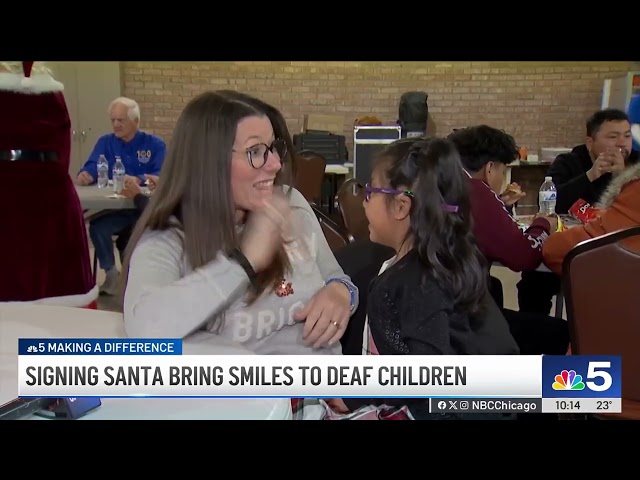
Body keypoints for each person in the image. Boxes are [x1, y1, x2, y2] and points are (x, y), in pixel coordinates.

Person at [121, 90, 358, 355]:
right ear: (209, 161)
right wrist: (242, 262)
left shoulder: (290, 201)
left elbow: (336, 277)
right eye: (255, 151)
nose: (276, 164)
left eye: (272, 148)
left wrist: (341, 293)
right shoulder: (168, 240)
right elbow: (144, 328)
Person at [325, 137, 519, 420]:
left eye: (370, 191)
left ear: (401, 206)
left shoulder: (413, 282)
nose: (365, 203)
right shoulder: (453, 260)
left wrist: (356, 395)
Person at [448, 125, 569, 357]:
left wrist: (500, 204)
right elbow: (523, 256)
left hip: (442, 306)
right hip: (462, 319)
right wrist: (543, 223)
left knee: (496, 288)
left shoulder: (448, 185)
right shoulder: (476, 191)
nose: (502, 179)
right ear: (490, 168)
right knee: (562, 333)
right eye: (503, 172)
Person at [519, 109, 638, 314]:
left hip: (619, 255)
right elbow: (550, 202)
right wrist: (590, 175)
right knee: (533, 280)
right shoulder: (569, 161)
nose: (622, 143)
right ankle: (542, 332)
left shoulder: (636, 167)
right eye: (612, 136)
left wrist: (622, 178)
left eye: (627, 136)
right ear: (590, 142)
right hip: (572, 242)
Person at [0, 61, 98, 307]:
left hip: (7, 200)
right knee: (59, 290)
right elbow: (63, 149)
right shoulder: (52, 93)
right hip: (54, 200)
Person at [75, 97, 167, 296]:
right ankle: (111, 275)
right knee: (98, 227)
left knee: (131, 237)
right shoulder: (105, 142)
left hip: (143, 209)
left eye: (121, 120)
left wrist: (139, 179)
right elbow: (93, 164)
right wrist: (86, 174)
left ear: (136, 122)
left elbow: (161, 174)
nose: (116, 124)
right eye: (113, 120)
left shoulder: (155, 144)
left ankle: (133, 278)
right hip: (116, 209)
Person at [543, 159, 640, 273]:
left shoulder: (633, 194)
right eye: (612, 139)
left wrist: (542, 226)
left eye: (627, 139)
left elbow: (553, 250)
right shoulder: (568, 163)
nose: (621, 142)